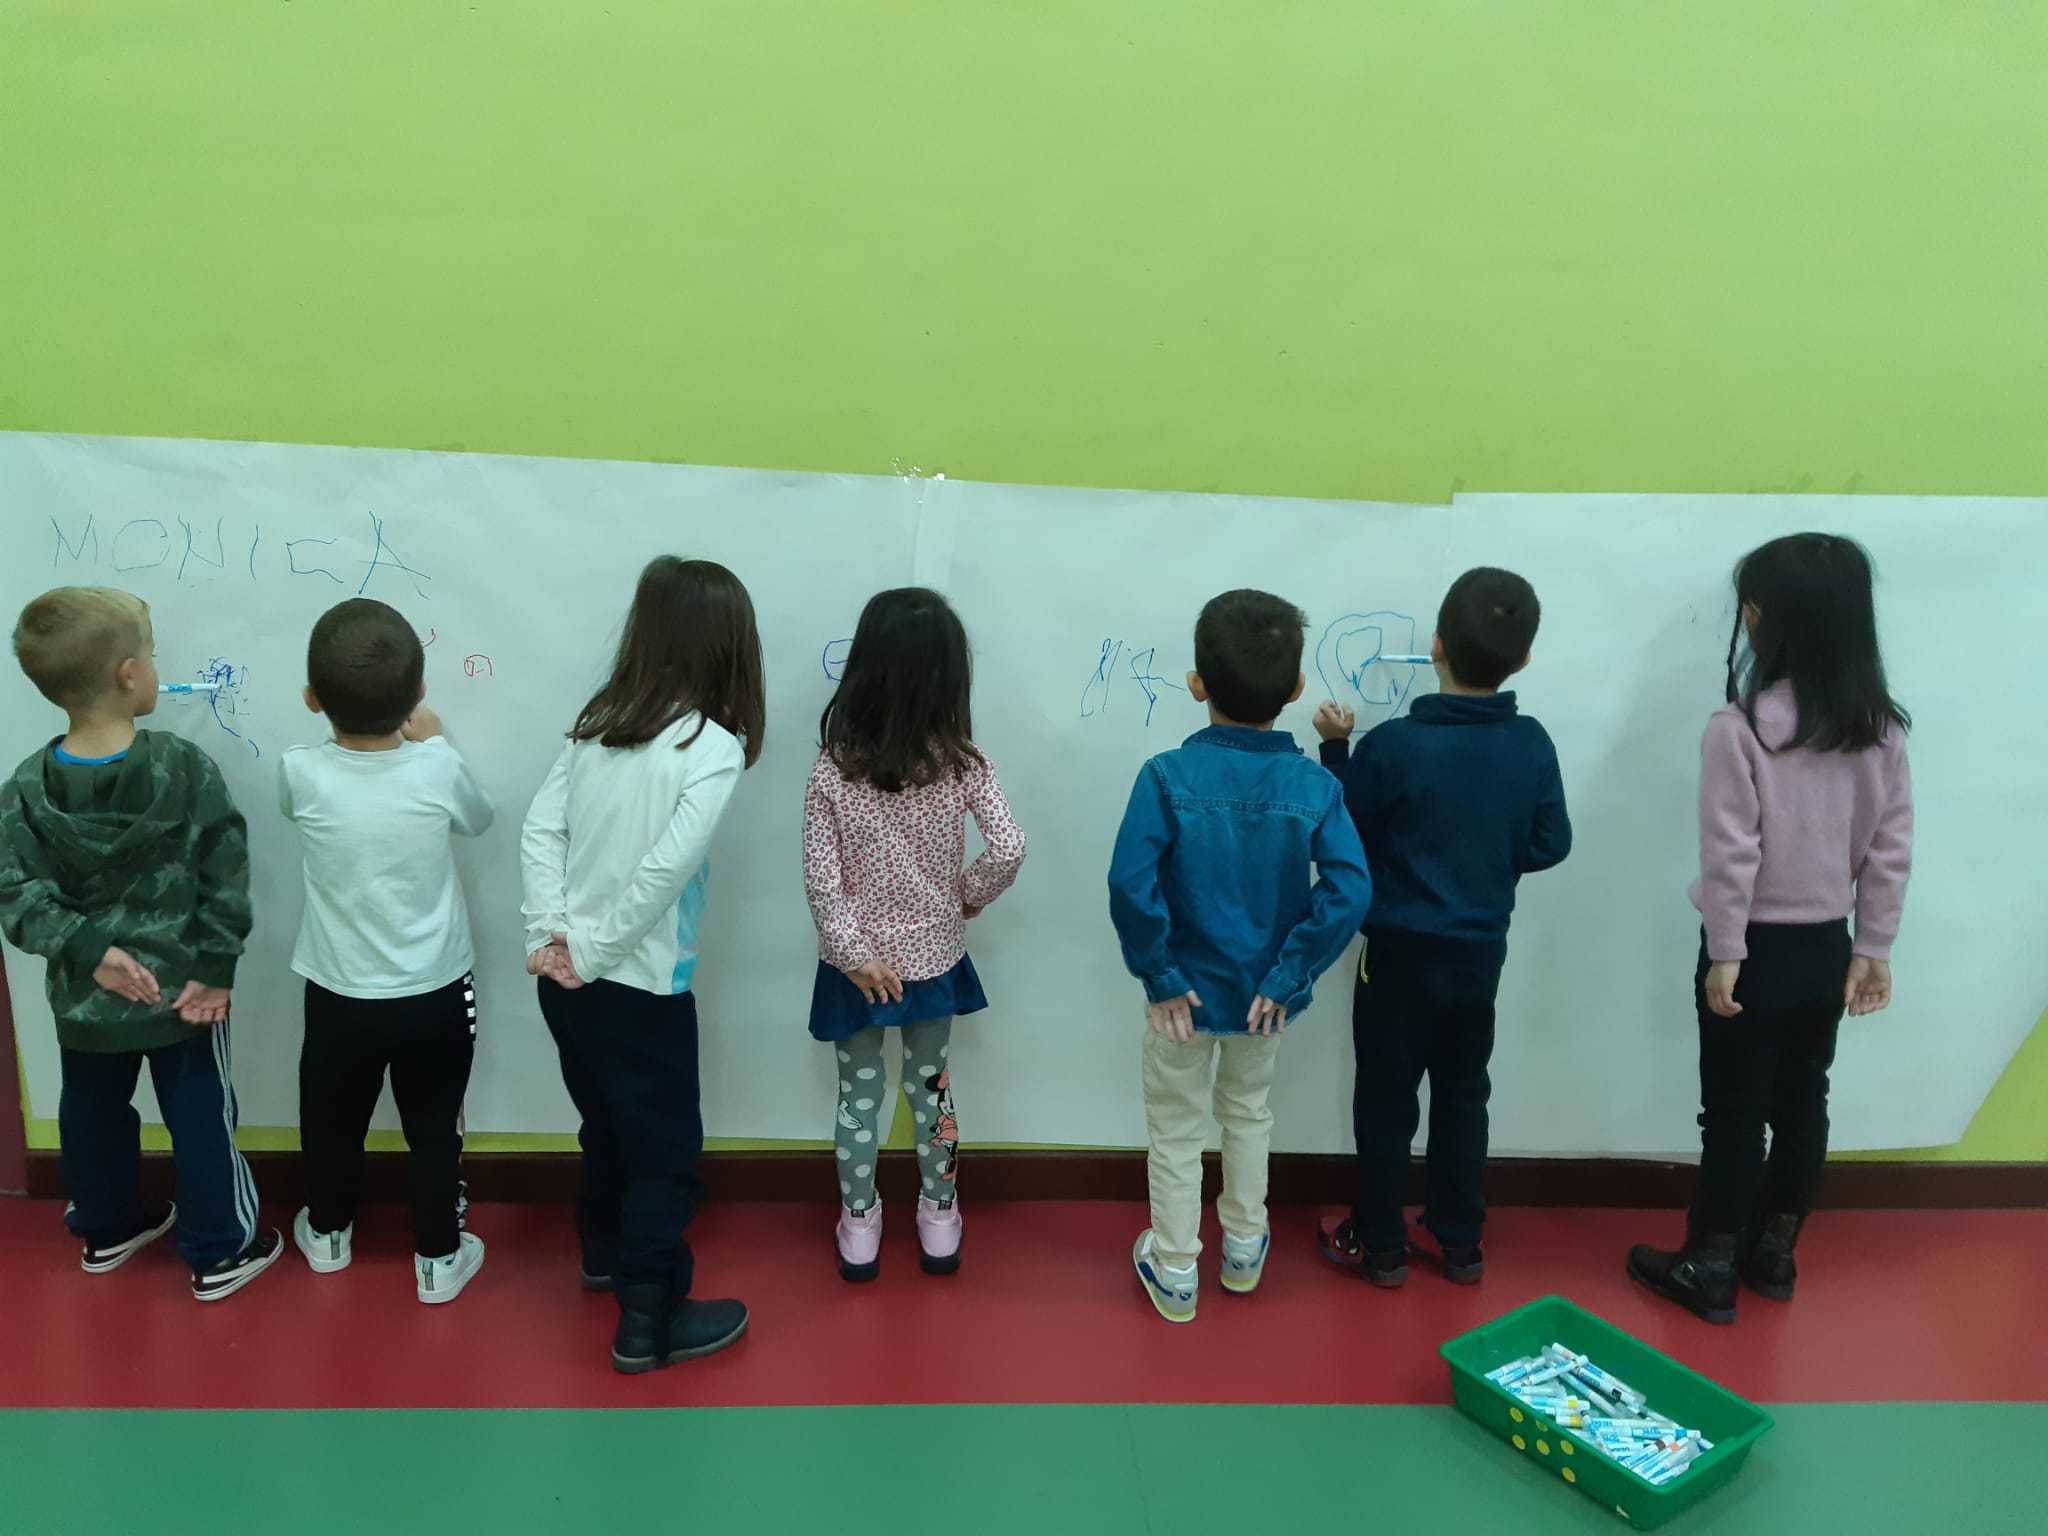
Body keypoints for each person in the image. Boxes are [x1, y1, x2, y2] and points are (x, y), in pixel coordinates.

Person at [1630, 534, 1912, 1324]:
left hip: (1751, 948)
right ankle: (1773, 1254)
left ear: (1768, 620)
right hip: (1825, 947)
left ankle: (1709, 1264)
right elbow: (1890, 849)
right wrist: (1873, 947)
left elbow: (1732, 852)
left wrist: (1726, 951)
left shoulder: (1740, 727)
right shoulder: (1879, 730)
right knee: (1802, 1103)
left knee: (1732, 1111)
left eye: (1750, 606)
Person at [0, 586, 279, 1300]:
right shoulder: (183, 768)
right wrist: (216, 969)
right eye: (151, 656)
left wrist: (89, 950)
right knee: (200, 1113)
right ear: (128, 674)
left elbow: (15, 894)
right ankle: (221, 1249)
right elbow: (225, 873)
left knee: (90, 1111)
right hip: (184, 994)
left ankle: (107, 1226)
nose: (157, 668)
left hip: (85, 998)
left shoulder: (27, 786)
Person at [520, 556, 761, 1373]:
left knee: (607, 1126)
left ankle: (604, 1252)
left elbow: (542, 830)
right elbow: (663, 874)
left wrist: (552, 937)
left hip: (567, 983)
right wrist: (586, 950)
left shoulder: (598, 724)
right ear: (730, 647)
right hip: (643, 990)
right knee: (664, 1155)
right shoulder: (712, 747)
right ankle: (649, 1319)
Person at [1108, 589, 1372, 1323]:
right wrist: (1290, 975)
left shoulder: (1165, 776)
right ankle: (1245, 1250)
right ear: (1295, 689)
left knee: (1176, 1129)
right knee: (1249, 1115)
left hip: (1182, 1000)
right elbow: (1350, 890)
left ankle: (1175, 1268)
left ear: (1198, 685)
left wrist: (1160, 974)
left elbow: (1130, 882)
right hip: (1263, 999)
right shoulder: (1315, 784)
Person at [1313, 568, 1571, 1287]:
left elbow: (1346, 832)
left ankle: (1381, 1244)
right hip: (1479, 954)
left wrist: (1335, 750)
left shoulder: (1393, 745)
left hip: (1397, 955)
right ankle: (1460, 1242)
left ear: (1435, 646)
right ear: (1524, 659)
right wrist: (1489, 860)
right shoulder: (1531, 743)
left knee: (1386, 1099)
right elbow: (1551, 842)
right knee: (1464, 1094)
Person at [803, 588, 1027, 1281]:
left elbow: (821, 880)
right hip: (933, 960)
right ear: (949, 675)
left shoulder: (834, 767)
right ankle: (939, 1218)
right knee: (931, 1092)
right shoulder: (964, 762)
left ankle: (860, 1224)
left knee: (858, 1099)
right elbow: (1009, 846)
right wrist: (968, 895)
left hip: (855, 972)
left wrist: (853, 954)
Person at [282, 598, 494, 1303]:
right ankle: (437, 1259)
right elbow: (480, 818)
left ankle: (329, 1234)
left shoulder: (300, 771)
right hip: (435, 989)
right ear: (419, 694)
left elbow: (298, 808)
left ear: (312, 700)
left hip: (337, 991)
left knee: (331, 1119)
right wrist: (436, 743)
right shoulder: (435, 769)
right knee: (434, 1128)